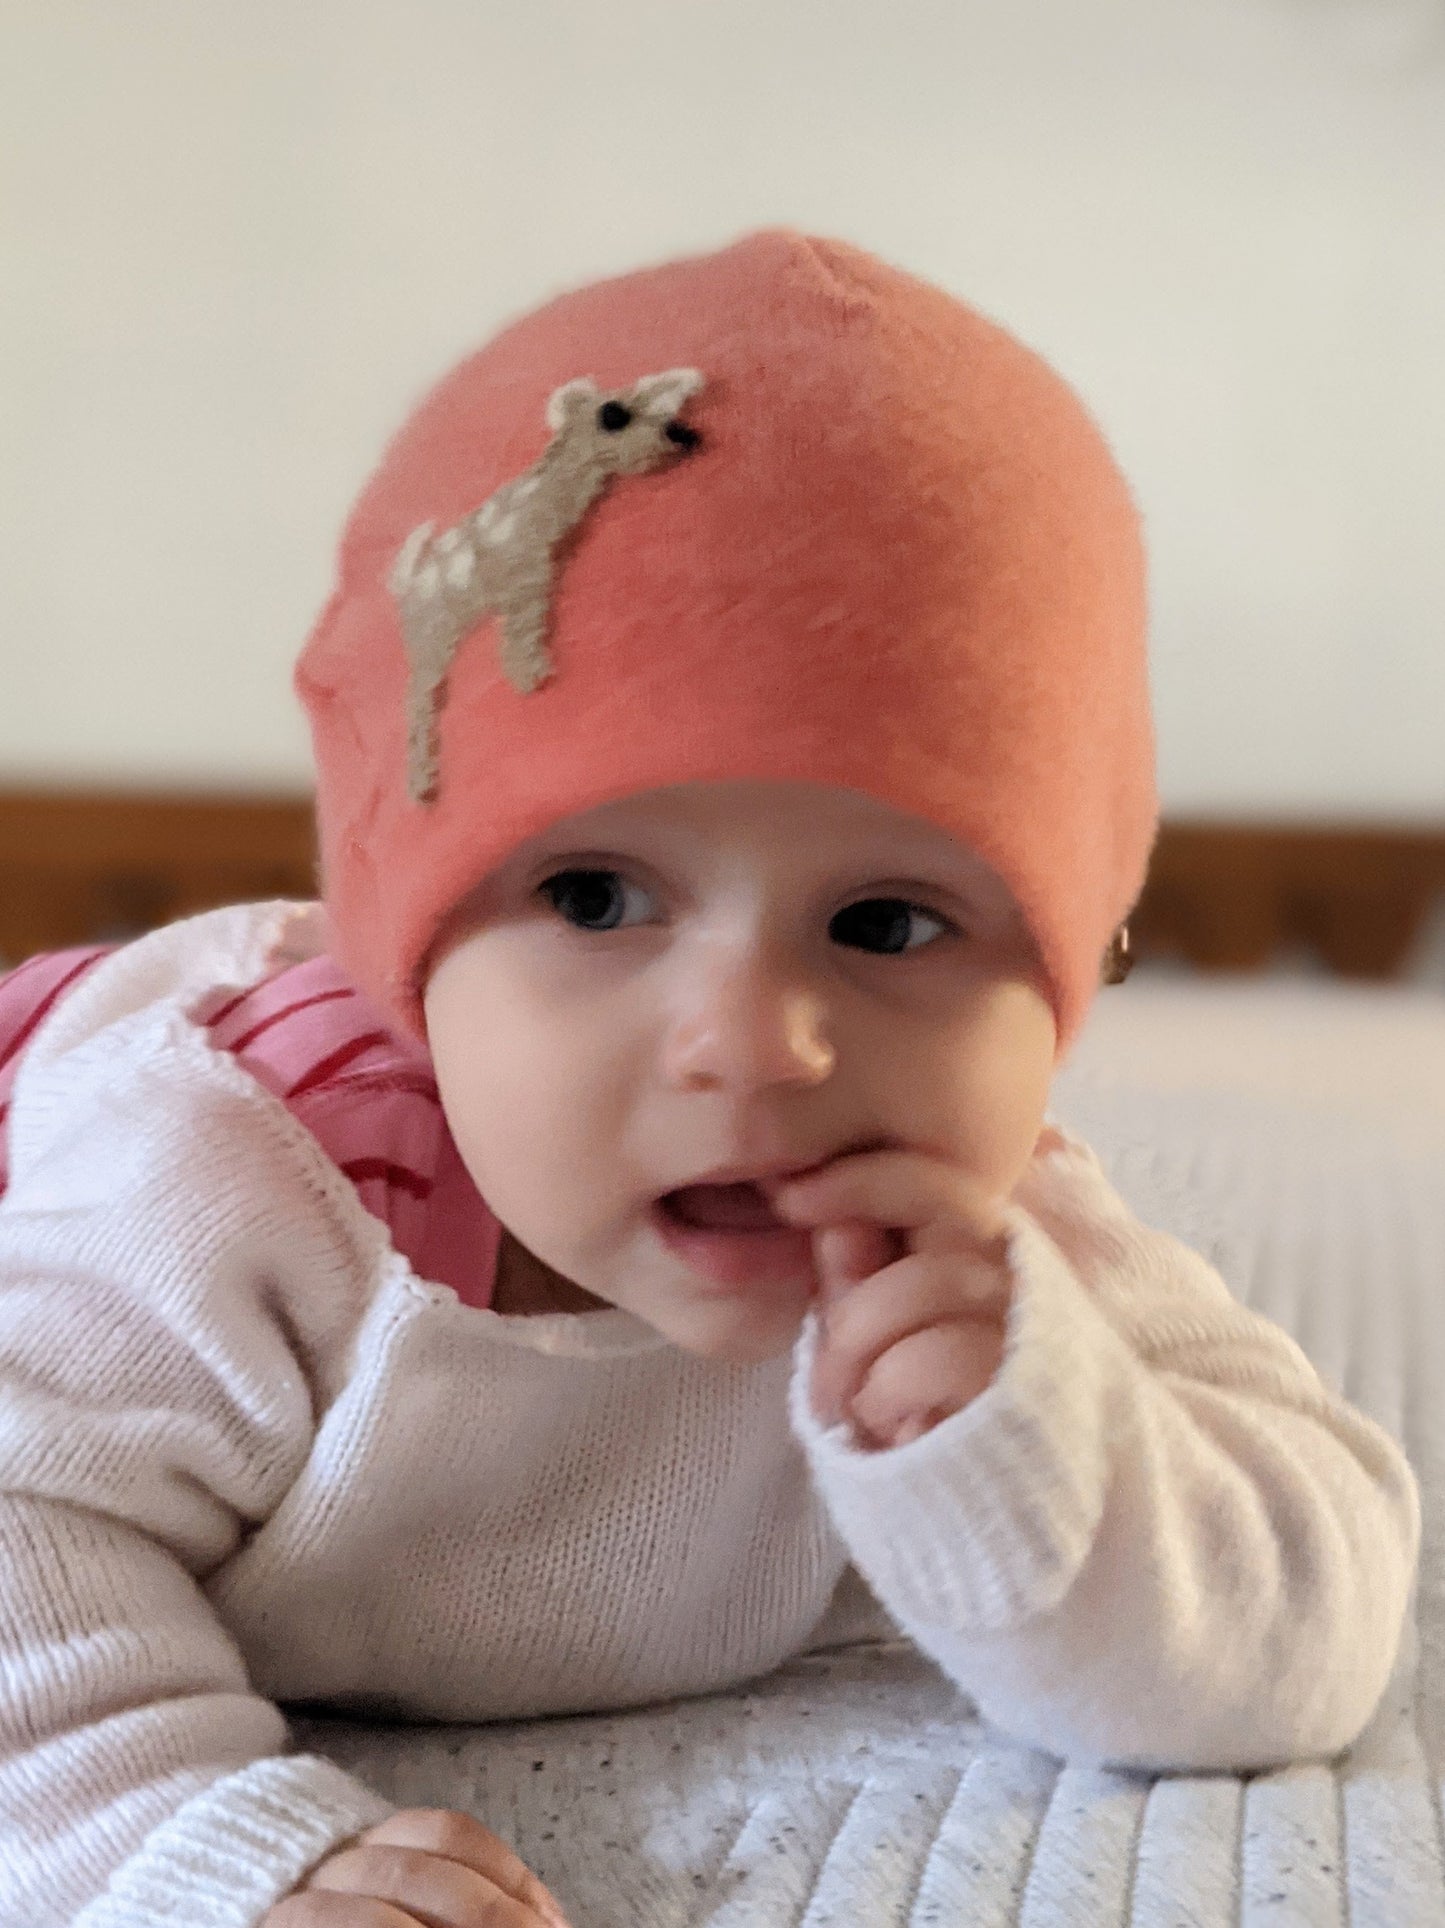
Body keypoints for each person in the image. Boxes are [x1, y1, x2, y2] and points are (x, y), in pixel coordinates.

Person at [0, 231, 1418, 1928]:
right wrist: (191, 1850)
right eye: (594, 899)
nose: (753, 1042)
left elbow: (1300, 1637)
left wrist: (1037, 1456)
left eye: (888, 922)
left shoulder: (993, 1264)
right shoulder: (228, 1180)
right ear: (406, 956)